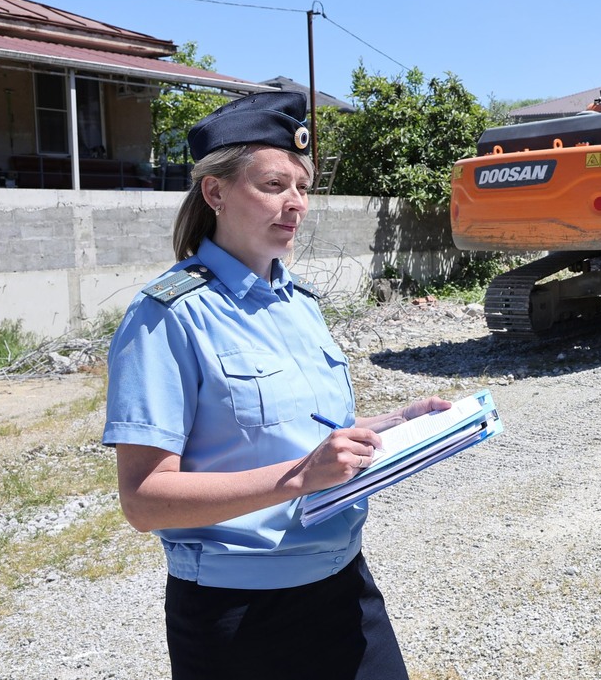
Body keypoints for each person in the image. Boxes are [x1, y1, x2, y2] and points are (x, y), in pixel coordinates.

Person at [104, 90, 449, 680]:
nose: (296, 204)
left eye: (303, 188)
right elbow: (143, 500)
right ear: (214, 192)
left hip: (344, 584)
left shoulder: (299, 304)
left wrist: (387, 428)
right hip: (240, 617)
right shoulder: (168, 315)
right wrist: (299, 478)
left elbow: (299, 436)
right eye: (273, 185)